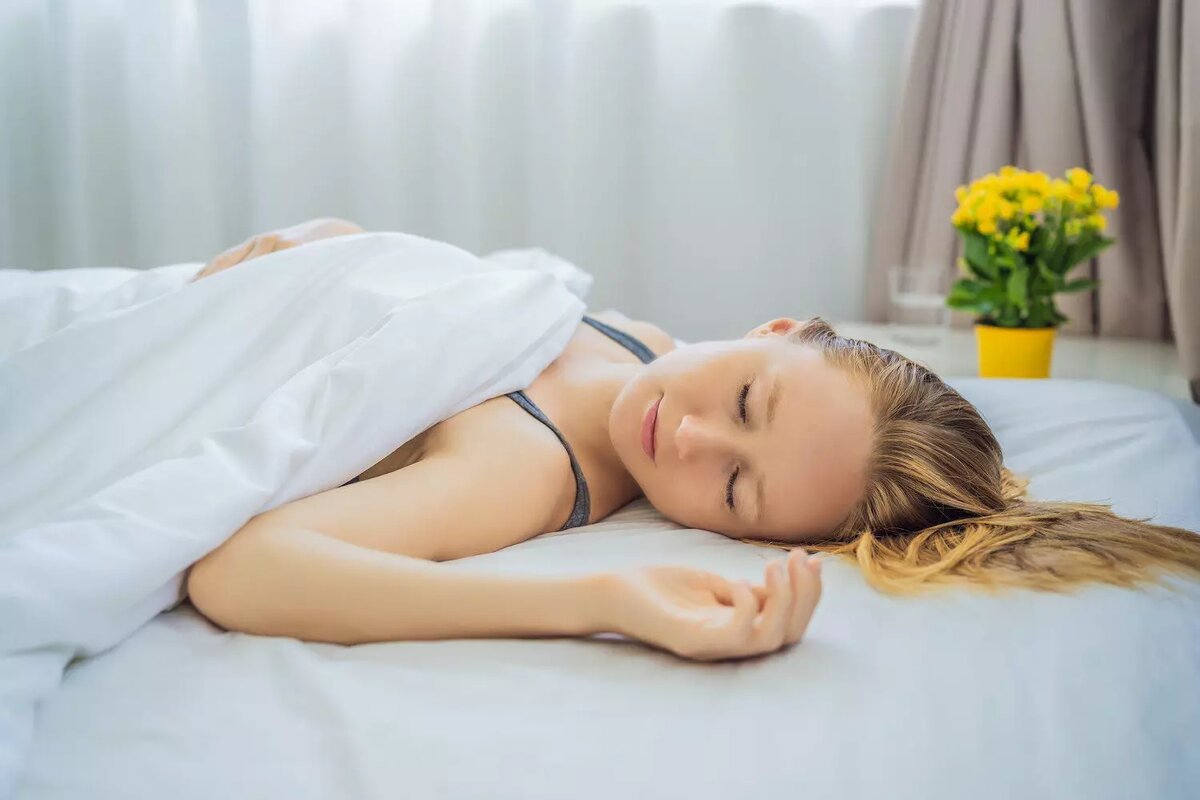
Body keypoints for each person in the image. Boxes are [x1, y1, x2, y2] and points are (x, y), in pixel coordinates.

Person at [185, 218, 1200, 662]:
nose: (692, 437)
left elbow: (240, 570)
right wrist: (331, 240)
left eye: (734, 490)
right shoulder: (640, 342)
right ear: (775, 328)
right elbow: (434, 290)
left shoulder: (529, 467)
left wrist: (600, 600)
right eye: (749, 399)